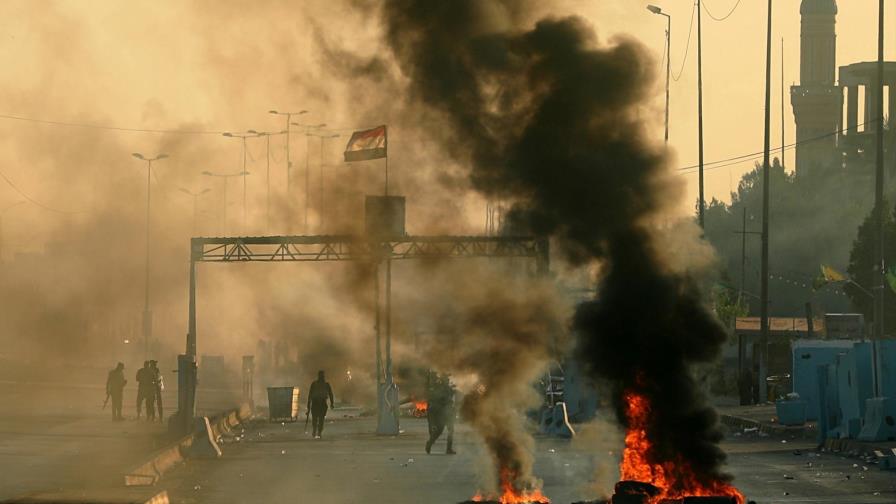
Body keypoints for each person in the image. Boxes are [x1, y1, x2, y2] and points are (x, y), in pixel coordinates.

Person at [425, 372, 456, 455]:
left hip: (447, 412)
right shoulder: (441, 388)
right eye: (446, 379)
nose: (448, 380)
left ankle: (447, 448)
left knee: (449, 430)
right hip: (443, 412)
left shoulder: (446, 388)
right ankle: (430, 443)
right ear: (443, 380)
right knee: (440, 431)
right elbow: (439, 400)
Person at [307, 370, 334, 439]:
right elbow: (310, 394)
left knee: (320, 418)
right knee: (316, 419)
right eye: (321, 376)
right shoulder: (315, 384)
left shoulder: (325, 384)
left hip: (321, 403)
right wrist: (308, 405)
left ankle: (318, 431)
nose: (322, 377)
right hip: (316, 403)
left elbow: (330, 394)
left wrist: (332, 403)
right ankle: (315, 430)